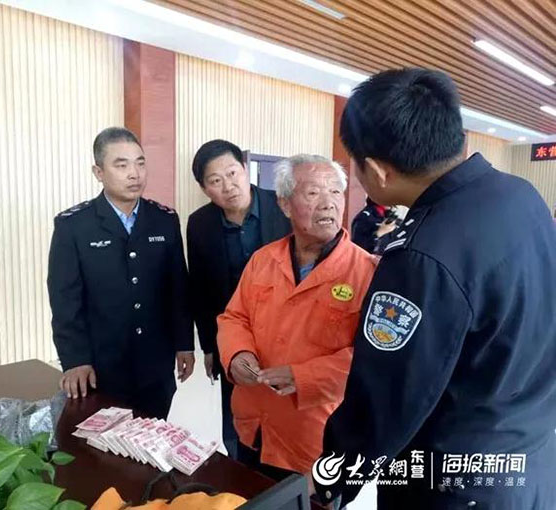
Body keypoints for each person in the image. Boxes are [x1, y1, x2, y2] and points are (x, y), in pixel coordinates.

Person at [311, 69, 556, 510]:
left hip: (455, 486)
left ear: (378, 170)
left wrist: (333, 478)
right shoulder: (521, 196)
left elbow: (386, 397)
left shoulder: (420, 255)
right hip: (531, 461)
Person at [217, 154, 376, 480]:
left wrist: (304, 377)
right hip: (253, 427)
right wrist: (237, 354)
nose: (329, 203)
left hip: (316, 441)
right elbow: (234, 316)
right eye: (314, 192)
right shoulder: (263, 260)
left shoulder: (367, 272)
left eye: (335, 192)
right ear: (285, 204)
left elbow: (374, 358)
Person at [47, 127, 194, 419]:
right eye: (121, 165)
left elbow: (178, 288)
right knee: (102, 442)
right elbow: (65, 299)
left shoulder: (164, 220)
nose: (134, 174)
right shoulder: (74, 225)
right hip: (101, 365)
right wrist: (75, 360)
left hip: (155, 363)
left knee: (151, 434)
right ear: (98, 172)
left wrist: (184, 344)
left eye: (140, 163)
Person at [186, 139, 290, 457]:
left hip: (285, 333)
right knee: (236, 416)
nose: (228, 186)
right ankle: (241, 467)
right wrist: (209, 347)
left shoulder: (284, 205)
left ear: (245, 169)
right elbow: (200, 290)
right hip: (233, 339)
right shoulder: (200, 224)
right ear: (205, 189)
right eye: (216, 181)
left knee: (285, 413)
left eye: (232, 173)